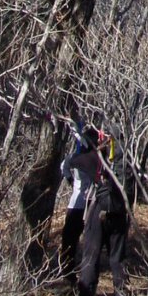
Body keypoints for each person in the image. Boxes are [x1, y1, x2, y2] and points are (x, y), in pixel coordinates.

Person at [69, 126, 129, 296]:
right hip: (120, 211)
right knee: (117, 257)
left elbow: (74, 161)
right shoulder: (127, 160)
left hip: (100, 208)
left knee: (91, 253)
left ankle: (86, 295)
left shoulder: (97, 158)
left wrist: (89, 149)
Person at [59, 120, 95, 287]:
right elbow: (63, 167)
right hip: (84, 204)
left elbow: (63, 167)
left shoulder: (84, 155)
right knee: (73, 240)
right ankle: (70, 276)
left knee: (72, 240)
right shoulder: (86, 155)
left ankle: (74, 276)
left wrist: (70, 180)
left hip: (80, 205)